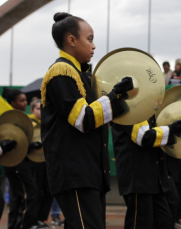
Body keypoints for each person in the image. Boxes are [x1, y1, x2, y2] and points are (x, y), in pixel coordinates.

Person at [40, 12, 133, 228]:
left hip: (87, 172)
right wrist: (114, 98)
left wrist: (115, 97)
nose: (94, 46)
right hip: (74, 173)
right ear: (71, 40)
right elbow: (84, 119)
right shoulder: (61, 72)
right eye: (89, 39)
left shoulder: (82, 75)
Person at [111, 116, 181, 229]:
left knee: (164, 220)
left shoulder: (148, 109)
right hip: (138, 177)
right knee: (140, 223)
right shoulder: (130, 108)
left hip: (155, 175)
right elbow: (144, 137)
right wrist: (171, 129)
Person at [2, 87, 40, 229]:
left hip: (22, 162)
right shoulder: (8, 120)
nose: (25, 103)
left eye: (25, 100)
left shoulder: (20, 119)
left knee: (18, 197)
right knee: (30, 193)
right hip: (14, 164)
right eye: (21, 101)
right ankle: (23, 225)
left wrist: (30, 146)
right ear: (12, 103)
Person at [28, 99, 52, 228]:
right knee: (35, 192)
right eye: (38, 109)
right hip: (33, 162)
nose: (41, 111)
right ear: (32, 110)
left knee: (48, 191)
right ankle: (32, 220)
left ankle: (41, 219)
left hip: (47, 161)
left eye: (42, 108)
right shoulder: (28, 123)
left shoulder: (48, 122)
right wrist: (30, 146)